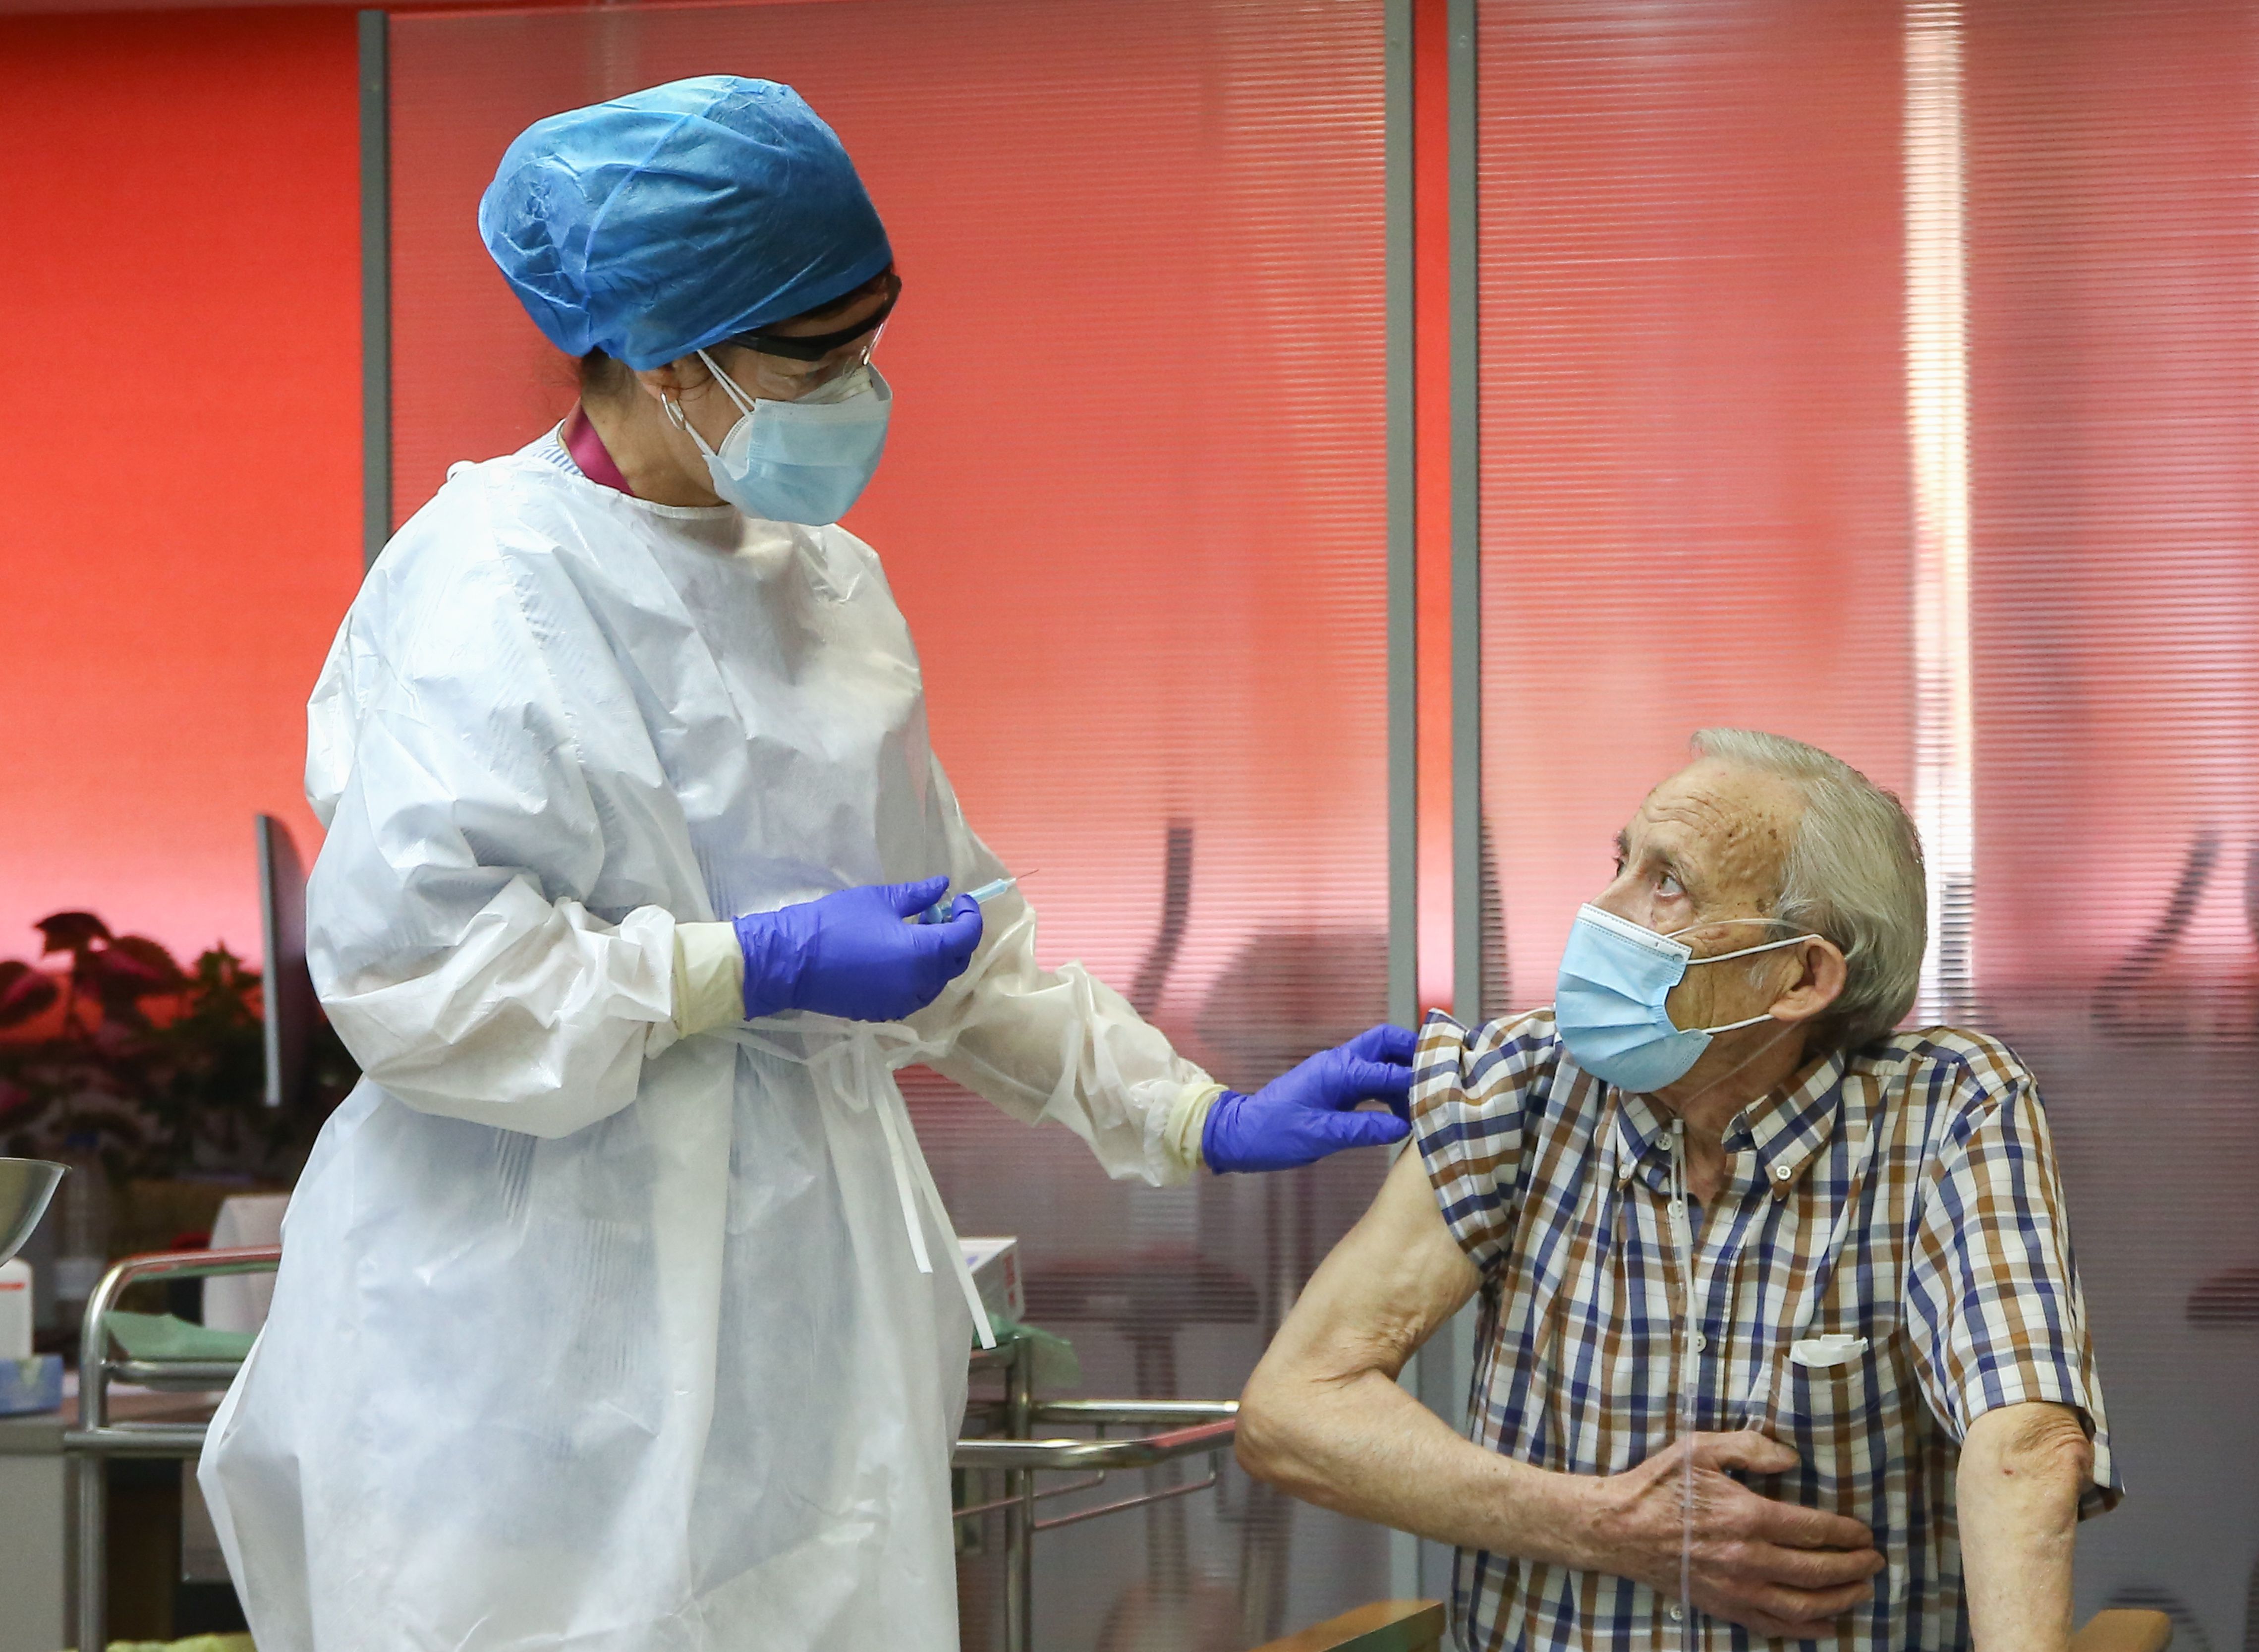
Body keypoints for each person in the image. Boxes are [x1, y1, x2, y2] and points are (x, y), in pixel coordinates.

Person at [198, 75, 1412, 1652]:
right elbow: (421, 980)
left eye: (868, 345)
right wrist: (745, 966)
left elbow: (957, 931)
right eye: (813, 357)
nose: (859, 391)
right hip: (525, 1332)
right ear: (657, 348)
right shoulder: (486, 586)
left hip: (803, 1323)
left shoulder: (830, 588)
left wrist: (1187, 1108)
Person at [1235, 730, 2120, 1652]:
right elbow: (1294, 1407)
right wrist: (1608, 1523)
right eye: (1621, 862)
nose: (1599, 910)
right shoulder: (1521, 1080)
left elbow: (2024, 1441)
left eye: (1667, 884)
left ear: (1801, 976)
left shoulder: (1948, 1107)